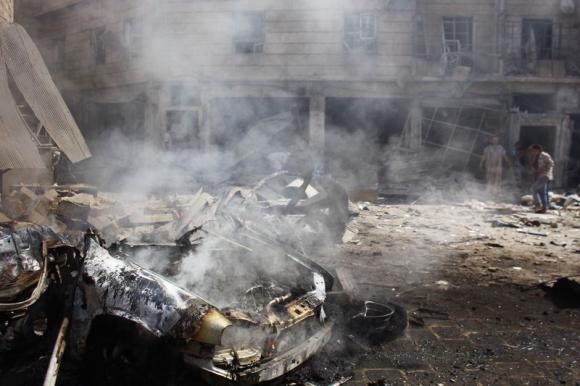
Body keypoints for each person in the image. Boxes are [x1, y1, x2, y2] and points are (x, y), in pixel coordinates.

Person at [529, 144, 554, 213]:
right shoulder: (536, 156)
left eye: (533, 150)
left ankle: (538, 205)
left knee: (533, 189)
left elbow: (551, 163)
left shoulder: (544, 155)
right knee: (542, 192)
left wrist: (543, 170)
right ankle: (545, 208)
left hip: (544, 175)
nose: (532, 152)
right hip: (540, 176)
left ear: (537, 149)